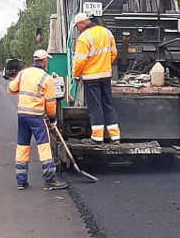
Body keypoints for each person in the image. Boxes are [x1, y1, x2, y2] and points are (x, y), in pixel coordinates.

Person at [8, 50, 68, 191]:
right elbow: (51, 103)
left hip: (22, 114)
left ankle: (21, 181)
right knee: (44, 145)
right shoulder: (46, 78)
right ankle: (50, 181)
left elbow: (11, 88)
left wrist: (22, 94)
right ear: (45, 60)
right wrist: (53, 118)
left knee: (22, 146)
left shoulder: (24, 73)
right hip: (36, 116)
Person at [72, 12, 120, 143]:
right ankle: (115, 137)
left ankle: (97, 138)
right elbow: (113, 53)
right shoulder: (107, 32)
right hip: (106, 76)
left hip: (91, 77)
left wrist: (76, 75)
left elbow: (79, 60)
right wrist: (104, 65)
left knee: (95, 107)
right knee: (108, 105)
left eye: (77, 26)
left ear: (82, 23)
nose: (78, 29)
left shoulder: (84, 37)